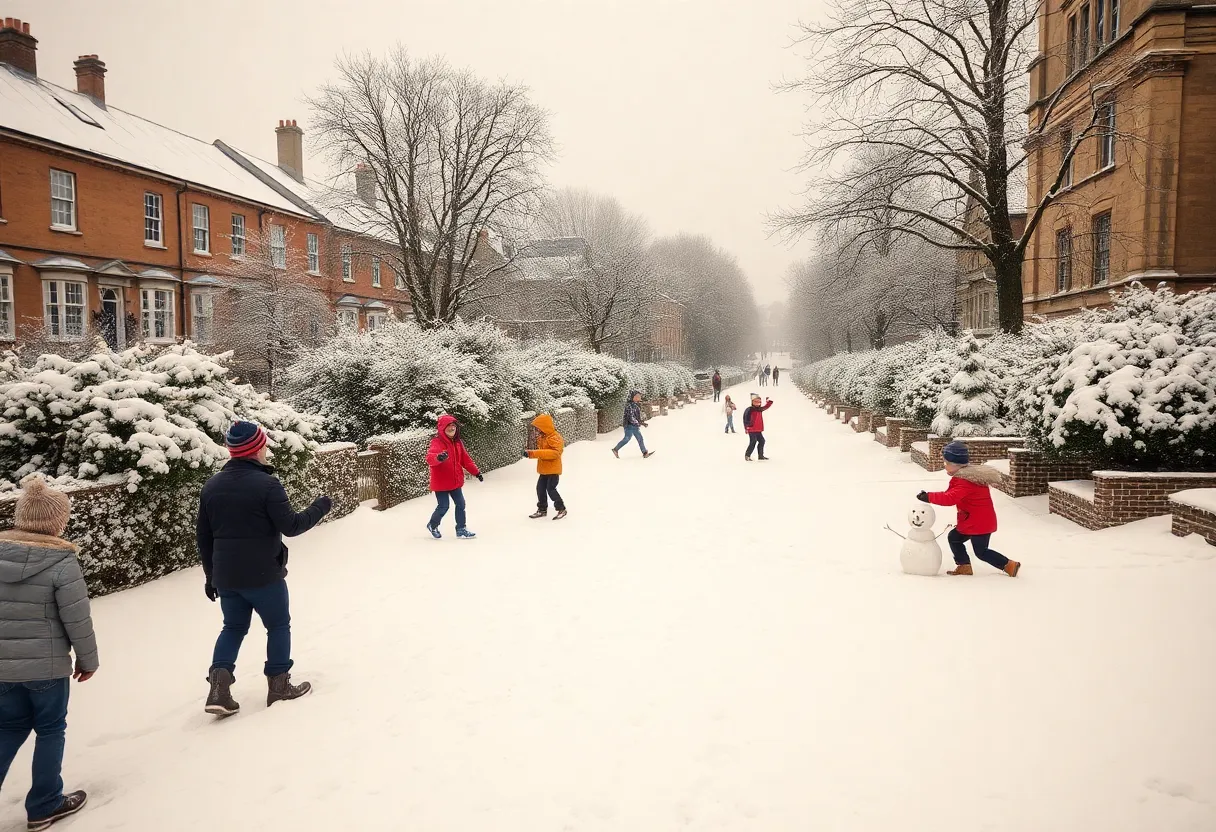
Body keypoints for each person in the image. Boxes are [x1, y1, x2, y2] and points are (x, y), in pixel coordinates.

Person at [199, 421, 331, 716]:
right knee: (278, 625)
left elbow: (204, 537)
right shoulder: (267, 485)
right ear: (256, 449)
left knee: (232, 627)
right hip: (263, 575)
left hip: (227, 576)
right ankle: (279, 686)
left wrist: (211, 577)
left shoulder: (212, 486)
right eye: (264, 445)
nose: (266, 449)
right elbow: (292, 525)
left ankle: (219, 689)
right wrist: (321, 506)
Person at [0, 476, 98, 831]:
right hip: (47, 669)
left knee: (7, 728)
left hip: (1, 672)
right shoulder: (61, 561)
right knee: (50, 728)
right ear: (58, 522)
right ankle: (44, 804)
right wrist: (88, 660)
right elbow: (77, 618)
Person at [917, 441, 1021, 577]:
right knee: (954, 537)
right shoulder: (966, 477)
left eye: (946, 463)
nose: (945, 466)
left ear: (955, 465)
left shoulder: (965, 481)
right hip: (972, 521)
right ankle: (964, 566)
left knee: (981, 552)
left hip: (979, 524)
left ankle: (1009, 565)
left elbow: (950, 498)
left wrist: (929, 497)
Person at [426, 414, 483, 539]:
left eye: (453, 426)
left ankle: (461, 529)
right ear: (442, 428)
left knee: (461, 504)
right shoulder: (437, 442)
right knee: (443, 506)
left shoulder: (458, 443)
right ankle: (432, 525)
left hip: (455, 482)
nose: (452, 428)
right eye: (449, 426)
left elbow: (466, 460)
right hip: (441, 483)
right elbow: (430, 458)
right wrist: (439, 458)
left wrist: (476, 472)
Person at [524, 413, 567, 519]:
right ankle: (542, 509)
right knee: (540, 489)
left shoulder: (555, 437)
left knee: (551, 489)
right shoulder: (543, 437)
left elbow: (555, 453)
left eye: (539, 428)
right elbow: (543, 452)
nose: (537, 430)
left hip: (553, 470)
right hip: (544, 469)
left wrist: (533, 453)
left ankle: (561, 509)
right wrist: (530, 453)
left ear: (544, 426)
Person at [612, 391, 655, 458]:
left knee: (640, 438)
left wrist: (642, 423)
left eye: (639, 396)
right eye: (637, 396)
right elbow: (630, 417)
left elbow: (637, 418)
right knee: (627, 439)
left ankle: (644, 452)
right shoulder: (629, 406)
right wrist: (637, 422)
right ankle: (615, 449)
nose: (639, 397)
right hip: (629, 426)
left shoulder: (636, 406)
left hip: (635, 426)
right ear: (633, 397)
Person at [742, 393, 773, 461]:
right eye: (755, 402)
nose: (757, 403)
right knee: (753, 441)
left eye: (759, 402)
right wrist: (746, 427)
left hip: (758, 429)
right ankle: (747, 455)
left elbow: (765, 407)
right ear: (752, 402)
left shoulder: (759, 409)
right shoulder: (749, 409)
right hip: (751, 429)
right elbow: (745, 418)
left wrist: (769, 402)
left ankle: (761, 456)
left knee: (762, 441)